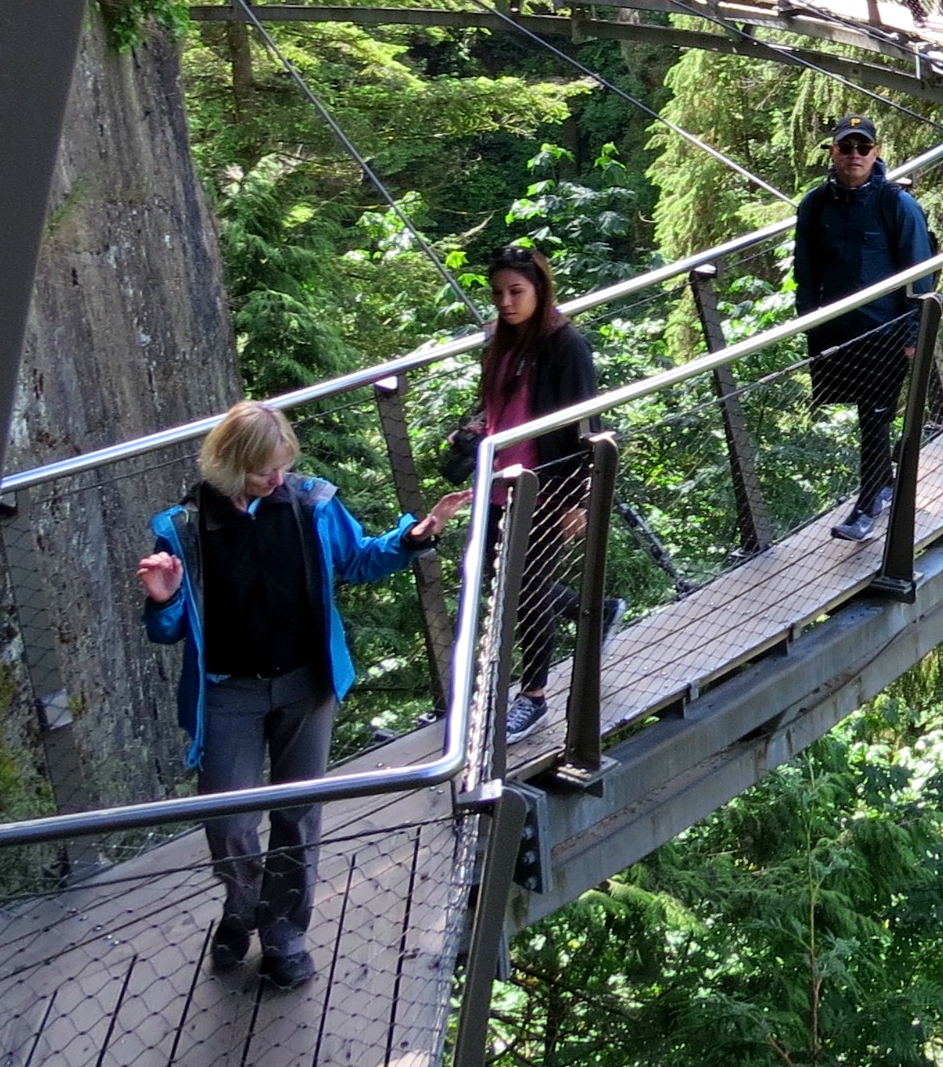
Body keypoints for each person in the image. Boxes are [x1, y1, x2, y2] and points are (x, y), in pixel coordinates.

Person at [136, 402, 467, 990]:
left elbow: (360, 560)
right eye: (266, 470)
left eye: (283, 466)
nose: (278, 479)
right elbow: (168, 630)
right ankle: (242, 906)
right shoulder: (183, 528)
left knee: (296, 815)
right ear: (233, 466)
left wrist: (416, 536)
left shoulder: (311, 503)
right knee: (227, 817)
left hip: (305, 684)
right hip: (227, 693)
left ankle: (285, 937)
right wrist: (163, 599)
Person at [438, 245, 602, 739]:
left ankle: (533, 696)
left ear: (539, 290)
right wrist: (472, 430)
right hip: (496, 482)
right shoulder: (501, 343)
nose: (506, 302)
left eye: (516, 292)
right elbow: (499, 408)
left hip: (543, 486)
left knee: (526, 591)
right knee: (499, 579)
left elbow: (583, 422)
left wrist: (576, 499)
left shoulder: (565, 345)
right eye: (499, 294)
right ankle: (590, 608)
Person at [794, 117, 939, 541]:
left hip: (887, 332)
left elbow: (920, 273)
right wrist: (810, 325)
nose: (854, 155)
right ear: (832, 152)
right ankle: (887, 483)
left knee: (873, 415)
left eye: (863, 147)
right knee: (862, 409)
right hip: (838, 332)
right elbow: (806, 272)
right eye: (846, 148)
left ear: (876, 153)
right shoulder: (815, 205)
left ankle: (866, 507)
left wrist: (914, 337)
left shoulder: (898, 205)